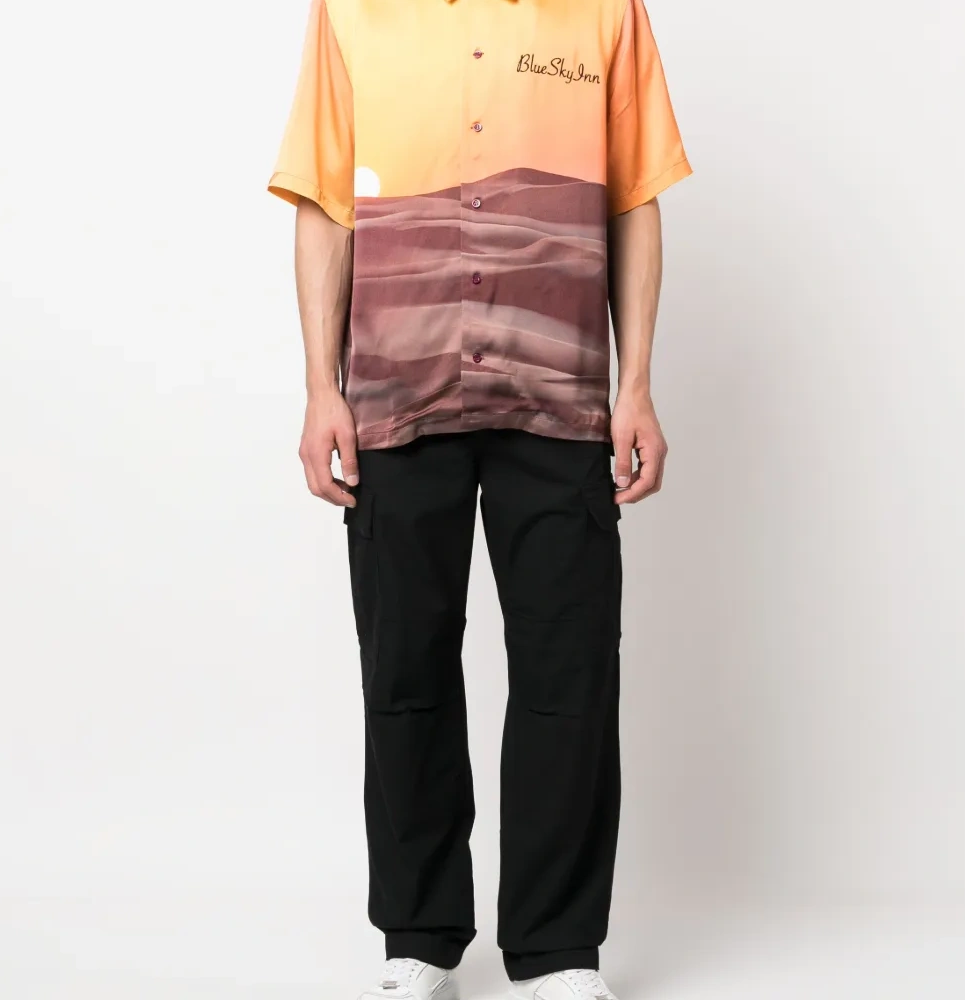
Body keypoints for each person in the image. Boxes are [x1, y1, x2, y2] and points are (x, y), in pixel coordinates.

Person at [268, 1, 691, 998]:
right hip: (395, 391)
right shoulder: (352, 11)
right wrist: (322, 388)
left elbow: (634, 196)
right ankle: (418, 936)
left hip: (560, 394)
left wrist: (635, 385)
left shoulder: (604, 12)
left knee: (569, 669)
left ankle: (557, 950)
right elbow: (325, 202)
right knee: (403, 666)